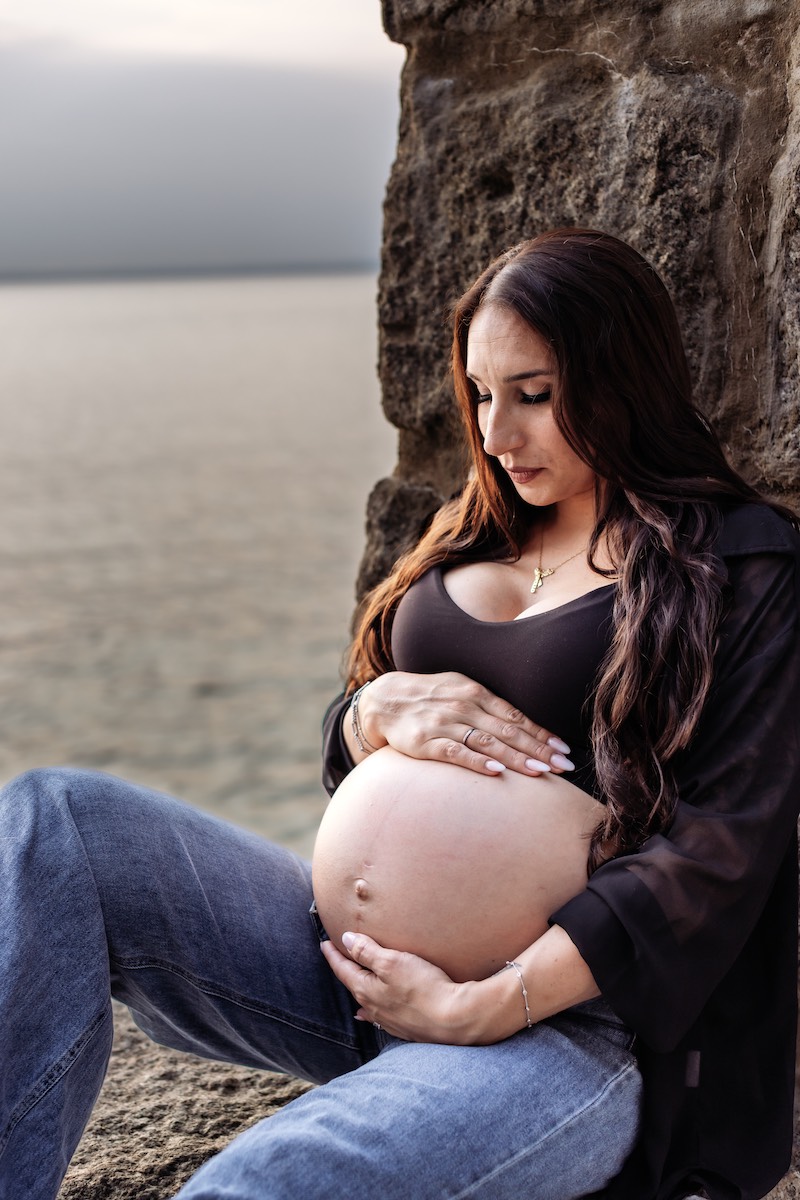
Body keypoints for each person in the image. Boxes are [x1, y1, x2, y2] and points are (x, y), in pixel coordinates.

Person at [1, 228, 798, 1200]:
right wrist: (366, 714)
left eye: (534, 394)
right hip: (350, 974)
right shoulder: (474, 529)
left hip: (561, 1034)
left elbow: (719, 852)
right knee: (57, 822)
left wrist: (485, 1005)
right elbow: (355, 741)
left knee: (255, 1186)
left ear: (621, 375)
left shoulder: (741, 572)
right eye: (482, 395)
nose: (498, 436)